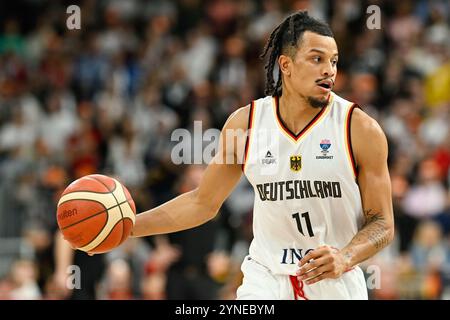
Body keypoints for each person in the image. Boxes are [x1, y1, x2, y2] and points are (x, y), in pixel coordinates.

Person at [129, 11, 395, 299]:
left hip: (335, 279)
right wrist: (125, 228)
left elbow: (382, 223)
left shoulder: (360, 128)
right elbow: (201, 202)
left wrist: (345, 256)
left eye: (333, 61)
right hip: (266, 277)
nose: (329, 70)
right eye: (317, 59)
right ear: (286, 64)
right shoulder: (246, 124)